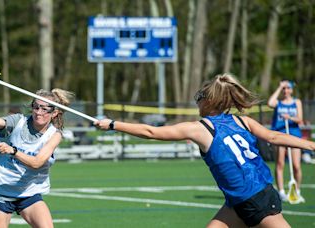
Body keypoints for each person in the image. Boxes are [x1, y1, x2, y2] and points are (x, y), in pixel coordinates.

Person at [95, 74, 315, 228]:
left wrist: (113, 124)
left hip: (257, 200)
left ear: (210, 101)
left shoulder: (200, 129)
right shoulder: (242, 121)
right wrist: (311, 145)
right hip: (238, 201)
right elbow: (274, 137)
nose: (197, 102)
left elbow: (151, 132)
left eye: (199, 97)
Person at [0, 88, 74, 228]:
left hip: (29, 193)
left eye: (44, 109)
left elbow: (37, 163)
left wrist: (13, 151)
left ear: (55, 113)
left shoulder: (54, 135)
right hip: (2, 191)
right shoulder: (18, 121)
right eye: (36, 107)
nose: (39, 112)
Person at [267, 80, 304, 202]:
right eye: (284, 88)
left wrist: (290, 117)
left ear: (292, 90)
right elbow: (270, 103)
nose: (285, 90)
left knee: (296, 166)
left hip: (294, 135)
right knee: (280, 163)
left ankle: (297, 191)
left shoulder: (296, 102)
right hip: (279, 135)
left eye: (288, 88)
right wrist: (279, 87)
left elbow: (300, 119)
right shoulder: (278, 103)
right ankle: (281, 192)